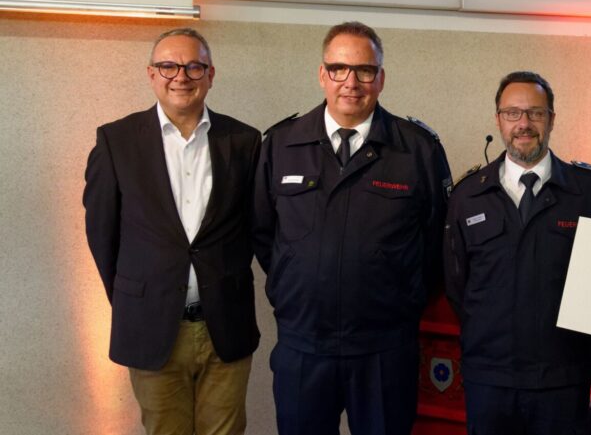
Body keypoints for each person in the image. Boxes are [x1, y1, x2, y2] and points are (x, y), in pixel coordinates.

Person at [253, 21, 452, 435]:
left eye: (364, 70)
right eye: (339, 69)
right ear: (322, 75)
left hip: (384, 347)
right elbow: (262, 234)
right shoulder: (281, 143)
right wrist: (300, 282)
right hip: (303, 344)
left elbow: (437, 242)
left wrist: (401, 293)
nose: (352, 82)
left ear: (380, 78)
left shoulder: (417, 148)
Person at [83, 28, 261, 435]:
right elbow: (101, 233)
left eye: (194, 66)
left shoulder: (245, 141)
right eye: (168, 65)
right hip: (151, 326)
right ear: (151, 74)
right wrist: (137, 297)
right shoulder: (116, 141)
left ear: (211, 74)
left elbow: (257, 227)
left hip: (225, 325)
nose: (181, 76)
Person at [444, 72, 591, 435]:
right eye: (512, 113)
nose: (523, 124)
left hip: (563, 377)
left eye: (535, 113)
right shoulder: (466, 196)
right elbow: (457, 285)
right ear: (498, 119)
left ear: (552, 119)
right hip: (489, 378)